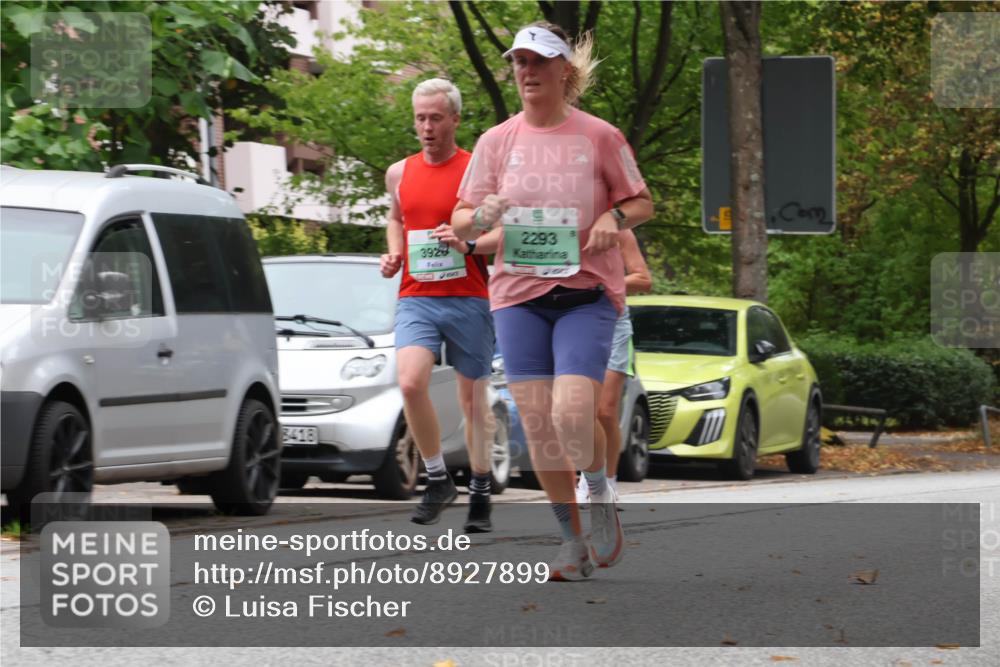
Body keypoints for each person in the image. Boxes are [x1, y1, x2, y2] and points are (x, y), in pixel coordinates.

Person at [452, 24, 653, 579]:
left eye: (538, 61)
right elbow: (463, 220)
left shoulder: (599, 136)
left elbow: (641, 202)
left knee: (571, 413)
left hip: (585, 292)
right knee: (539, 427)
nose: (527, 71)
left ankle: (598, 489)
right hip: (517, 297)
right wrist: (487, 213)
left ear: (565, 69)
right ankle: (571, 543)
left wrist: (613, 217)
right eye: (518, 61)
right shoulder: (497, 141)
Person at [381, 78, 500, 533]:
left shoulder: (477, 173)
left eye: (435, 118)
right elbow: (396, 218)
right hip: (417, 296)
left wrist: (468, 245)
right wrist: (393, 252)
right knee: (410, 383)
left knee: (473, 402)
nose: (426, 127)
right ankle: (436, 478)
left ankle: (481, 488)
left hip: (469, 296)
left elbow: (498, 237)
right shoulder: (399, 172)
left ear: (455, 119)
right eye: (419, 118)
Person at [577, 229, 652, 505]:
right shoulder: (563, 223)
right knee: (578, 408)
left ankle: (606, 482)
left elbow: (643, 280)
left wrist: (603, 283)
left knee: (604, 411)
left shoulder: (620, 232)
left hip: (614, 323)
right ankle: (588, 475)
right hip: (574, 323)